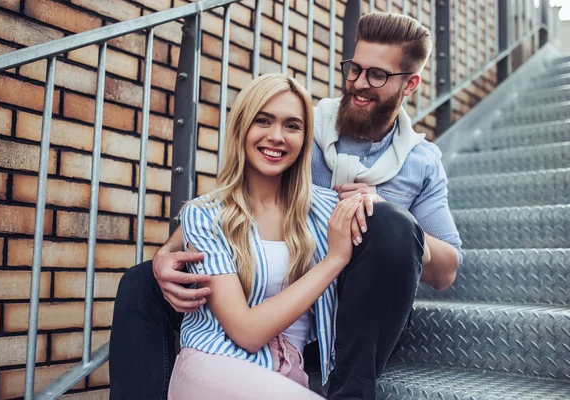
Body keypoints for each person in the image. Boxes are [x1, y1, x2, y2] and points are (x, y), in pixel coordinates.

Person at [109, 12, 461, 400]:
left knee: (389, 222)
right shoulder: (300, 130)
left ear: (410, 84)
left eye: (376, 75)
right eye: (354, 69)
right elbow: (233, 202)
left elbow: (445, 272)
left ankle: (350, 390)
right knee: (141, 282)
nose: (359, 84)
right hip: (271, 290)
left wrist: (384, 216)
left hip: (356, 314)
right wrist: (166, 253)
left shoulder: (421, 160)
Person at [168, 73, 361, 399]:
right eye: (263, 121)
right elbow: (246, 331)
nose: (277, 136)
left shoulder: (327, 210)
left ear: (304, 138)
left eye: (292, 126)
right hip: (213, 368)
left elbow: (410, 245)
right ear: (242, 127)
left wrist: (376, 203)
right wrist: (335, 260)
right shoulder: (205, 215)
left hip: (285, 376)